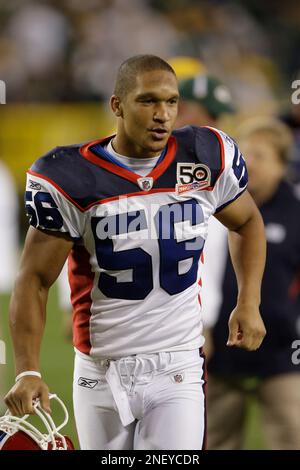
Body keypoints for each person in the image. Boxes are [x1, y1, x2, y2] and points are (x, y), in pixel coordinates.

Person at [4, 55, 266, 451]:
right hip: (99, 370)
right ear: (117, 105)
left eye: (171, 102)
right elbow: (35, 279)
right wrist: (26, 370)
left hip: (177, 364)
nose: (163, 115)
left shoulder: (204, 155)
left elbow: (247, 222)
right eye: (147, 101)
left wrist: (249, 301)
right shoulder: (72, 175)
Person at [203, 118, 300, 450]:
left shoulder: (296, 211)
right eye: (246, 156)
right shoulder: (215, 207)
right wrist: (201, 327)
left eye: (260, 156)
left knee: (292, 436)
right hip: (222, 348)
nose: (250, 164)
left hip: (284, 351)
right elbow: (201, 274)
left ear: (282, 164)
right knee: (215, 440)